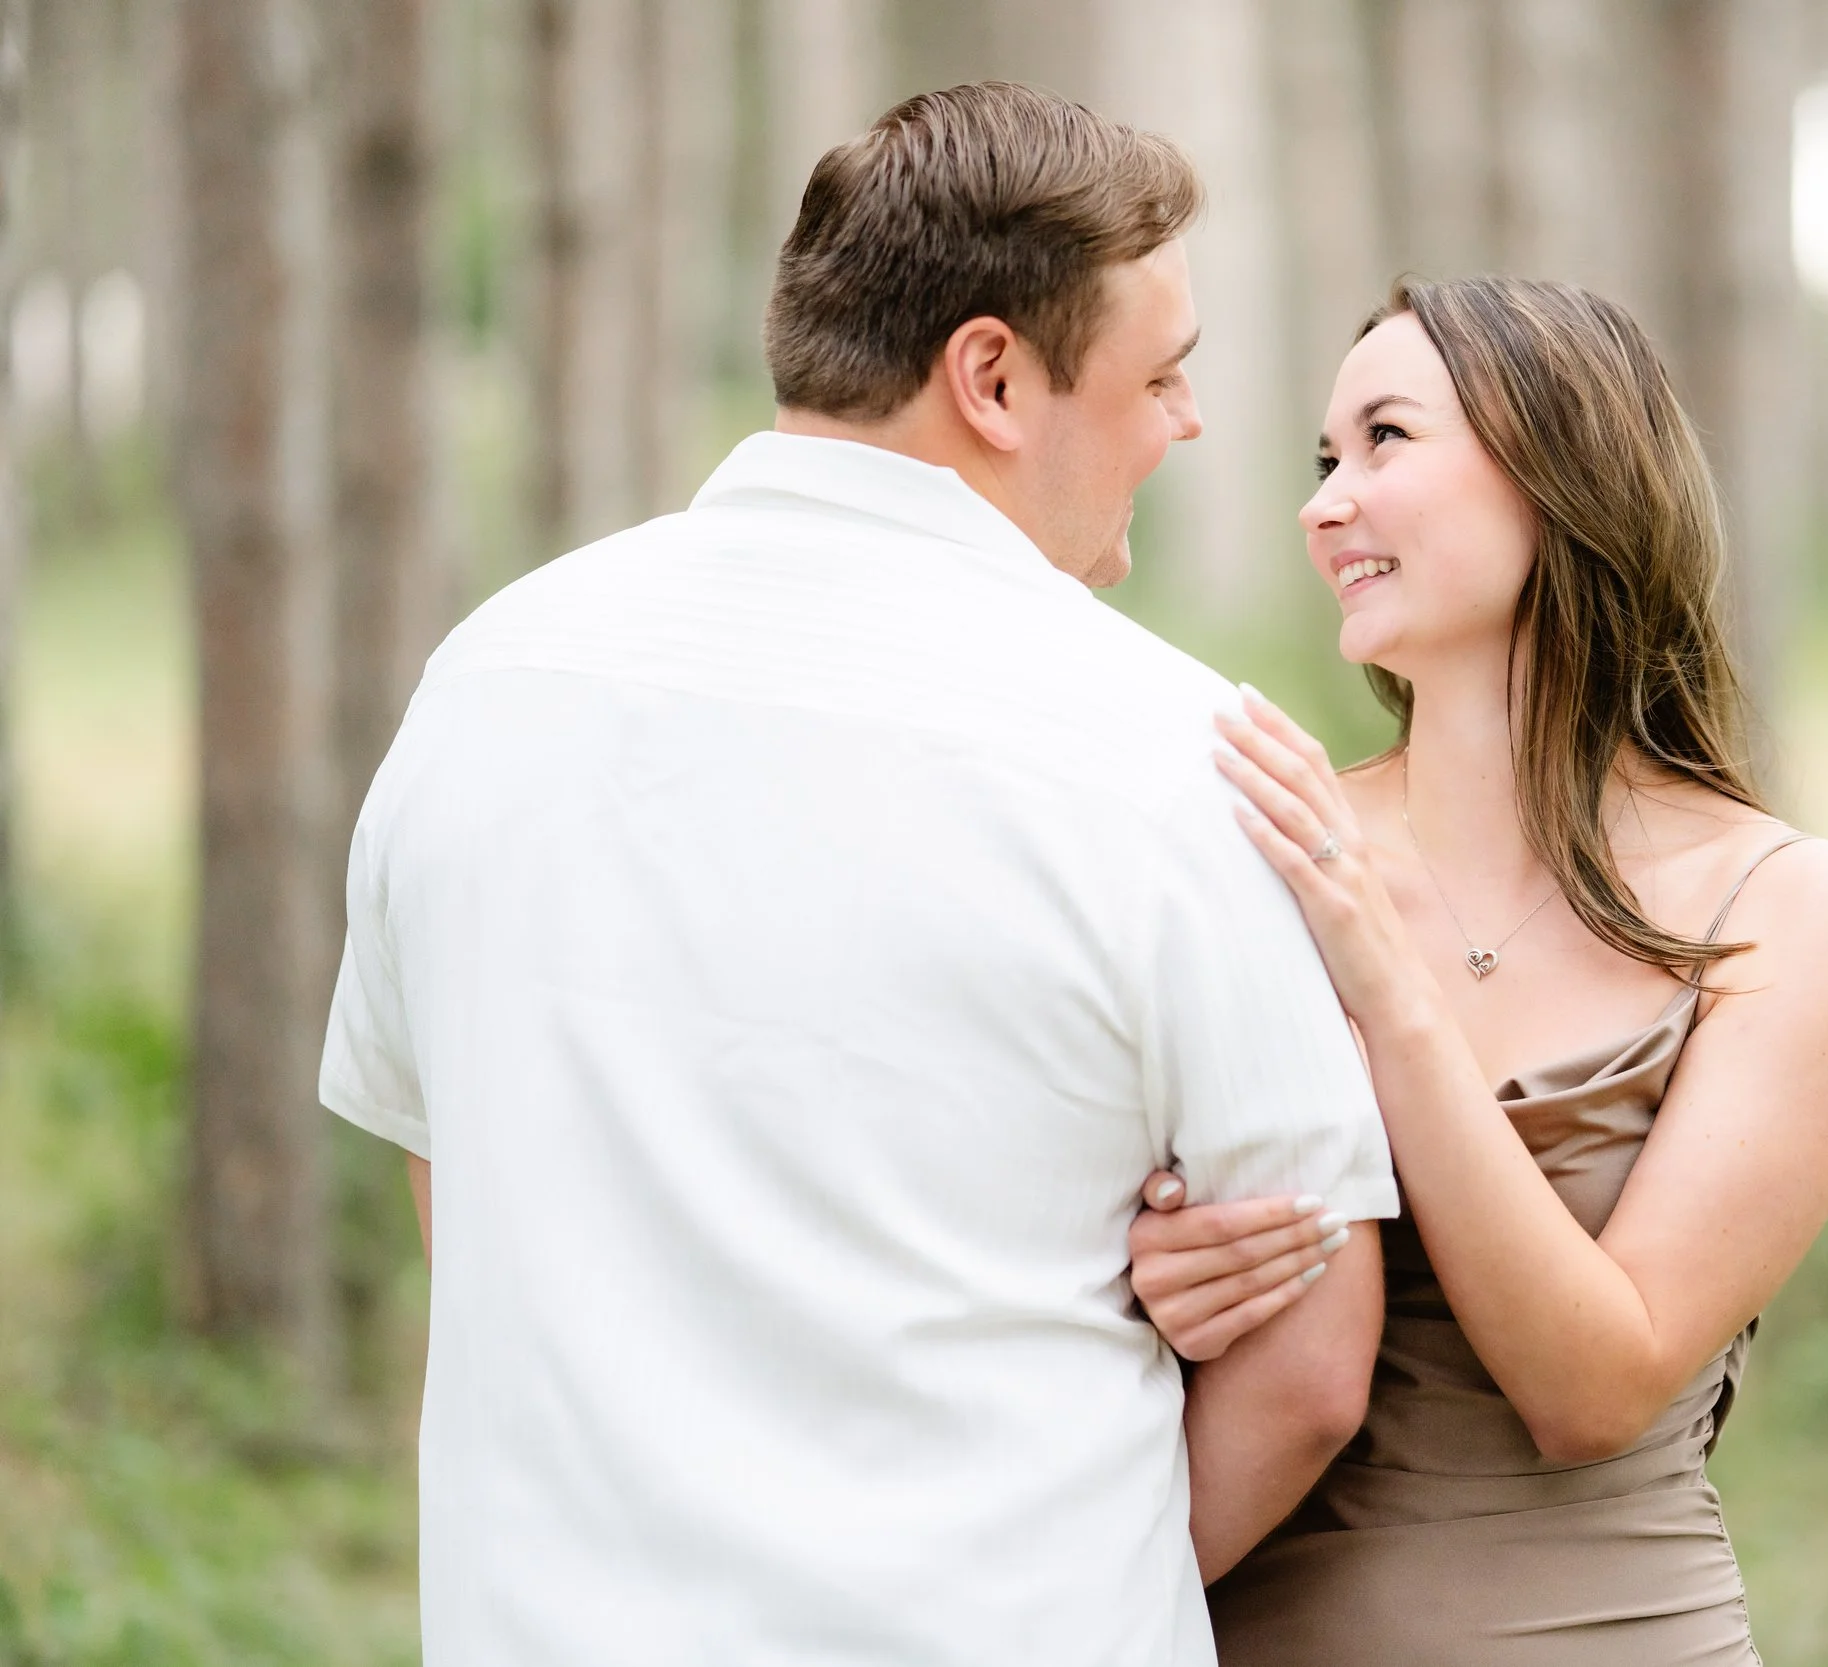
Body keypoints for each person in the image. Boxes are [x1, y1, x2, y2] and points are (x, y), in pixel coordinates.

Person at [317, 82, 1399, 1666]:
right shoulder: (1179, 751)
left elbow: (456, 1189)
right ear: (993, 376)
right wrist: (1076, 1590)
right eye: (1161, 373)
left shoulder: (486, 678)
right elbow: (1310, 1359)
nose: (1189, 423)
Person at [1124, 277, 1828, 1664]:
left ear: (1563, 469)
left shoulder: (1803, 913)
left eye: (1384, 440)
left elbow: (1594, 1384)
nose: (1323, 505)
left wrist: (1388, 988)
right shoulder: (1246, 842)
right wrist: (1156, 1279)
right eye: (1322, 462)